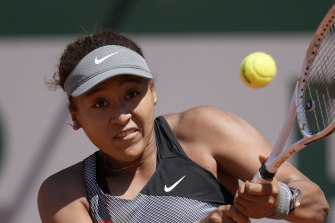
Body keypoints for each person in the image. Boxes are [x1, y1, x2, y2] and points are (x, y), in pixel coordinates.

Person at [37, 30, 329, 223]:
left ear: (153, 92)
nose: (121, 114)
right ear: (76, 116)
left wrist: (280, 201)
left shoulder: (203, 130)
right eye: (100, 104)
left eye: (132, 94)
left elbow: (317, 206)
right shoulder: (64, 192)